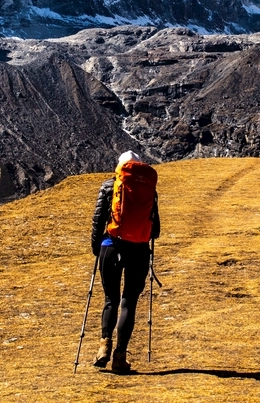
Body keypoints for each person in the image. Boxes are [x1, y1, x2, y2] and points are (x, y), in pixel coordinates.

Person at [90, 151, 160, 373]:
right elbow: (155, 230)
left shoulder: (109, 186)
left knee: (111, 299)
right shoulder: (149, 190)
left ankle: (103, 347)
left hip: (110, 247)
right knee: (129, 301)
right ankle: (120, 356)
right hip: (138, 251)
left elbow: (98, 220)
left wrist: (96, 249)